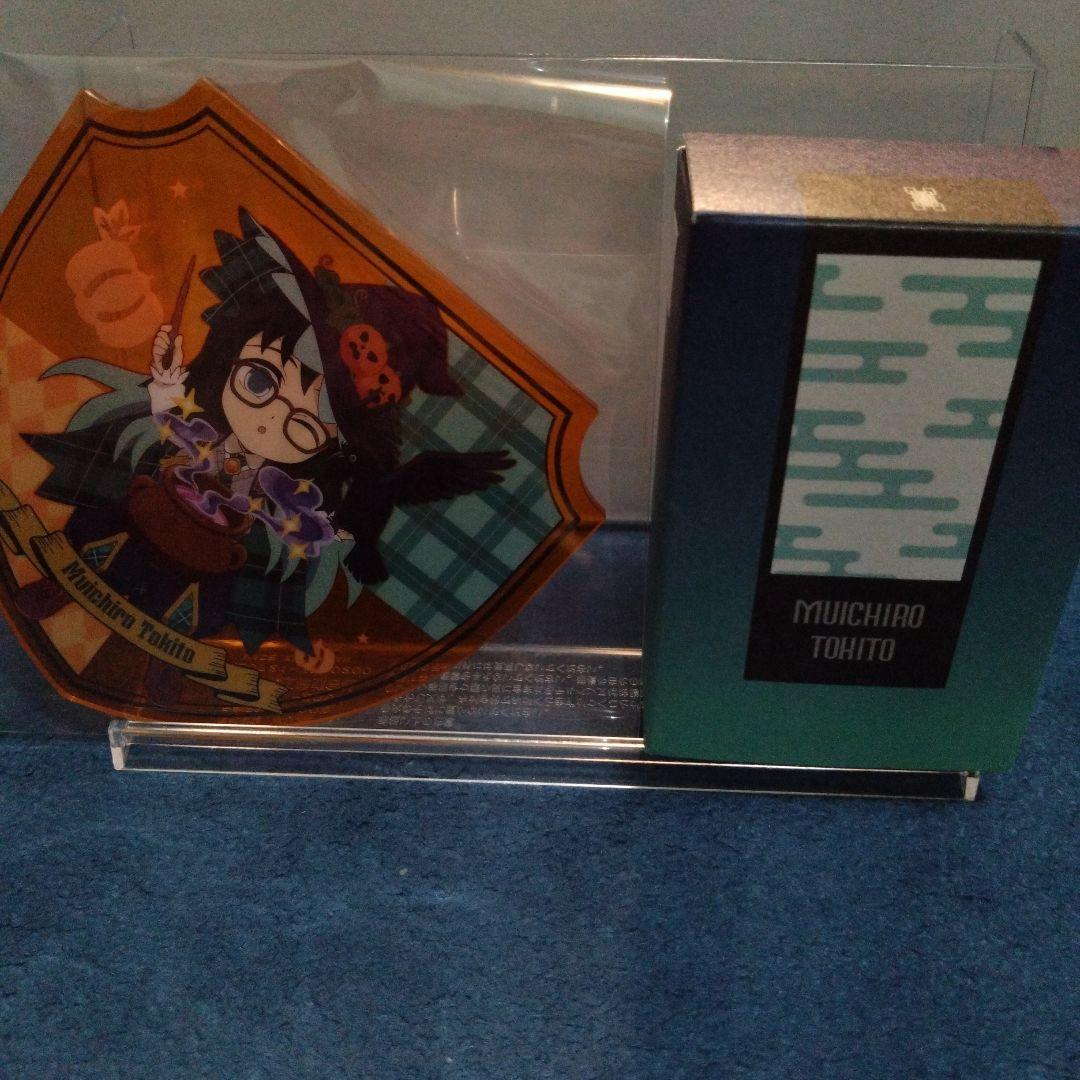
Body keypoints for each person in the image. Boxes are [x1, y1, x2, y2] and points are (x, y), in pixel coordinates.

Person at [17, 208, 512, 706]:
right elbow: (170, 423)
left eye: (303, 426)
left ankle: (169, 658)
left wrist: (334, 530)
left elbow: (300, 520)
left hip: (212, 543)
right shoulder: (207, 436)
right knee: (112, 520)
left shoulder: (279, 484)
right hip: (162, 505)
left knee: (203, 597)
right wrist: (166, 380)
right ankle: (60, 583)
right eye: (259, 381)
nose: (270, 419)